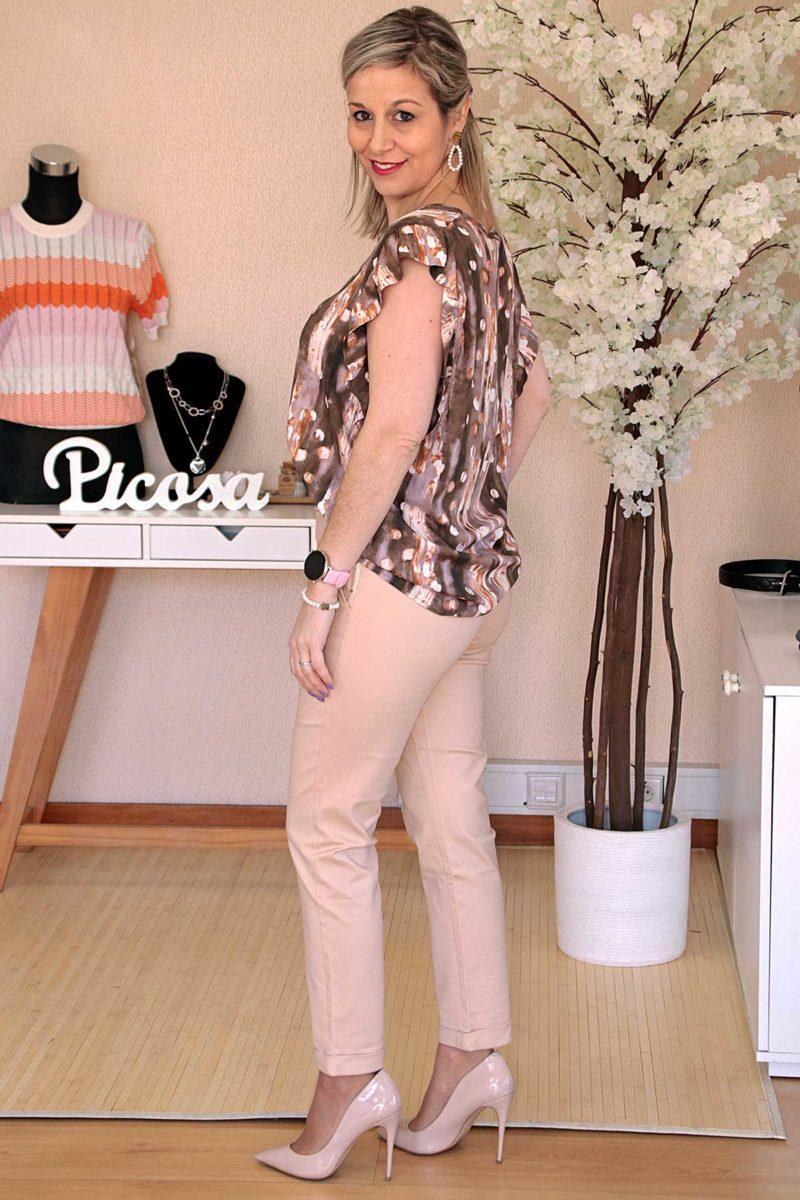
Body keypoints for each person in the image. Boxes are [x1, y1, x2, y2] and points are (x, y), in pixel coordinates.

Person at [255, 5, 551, 1183]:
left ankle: (348, 1084)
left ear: (456, 117)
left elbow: (387, 434)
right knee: (447, 823)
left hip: (394, 582)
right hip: (470, 586)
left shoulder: (415, 252)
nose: (377, 140)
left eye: (404, 116)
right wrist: (466, 503)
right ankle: (471, 1058)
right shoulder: (484, 245)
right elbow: (530, 396)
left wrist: (322, 587)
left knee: (326, 824)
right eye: (360, 115)